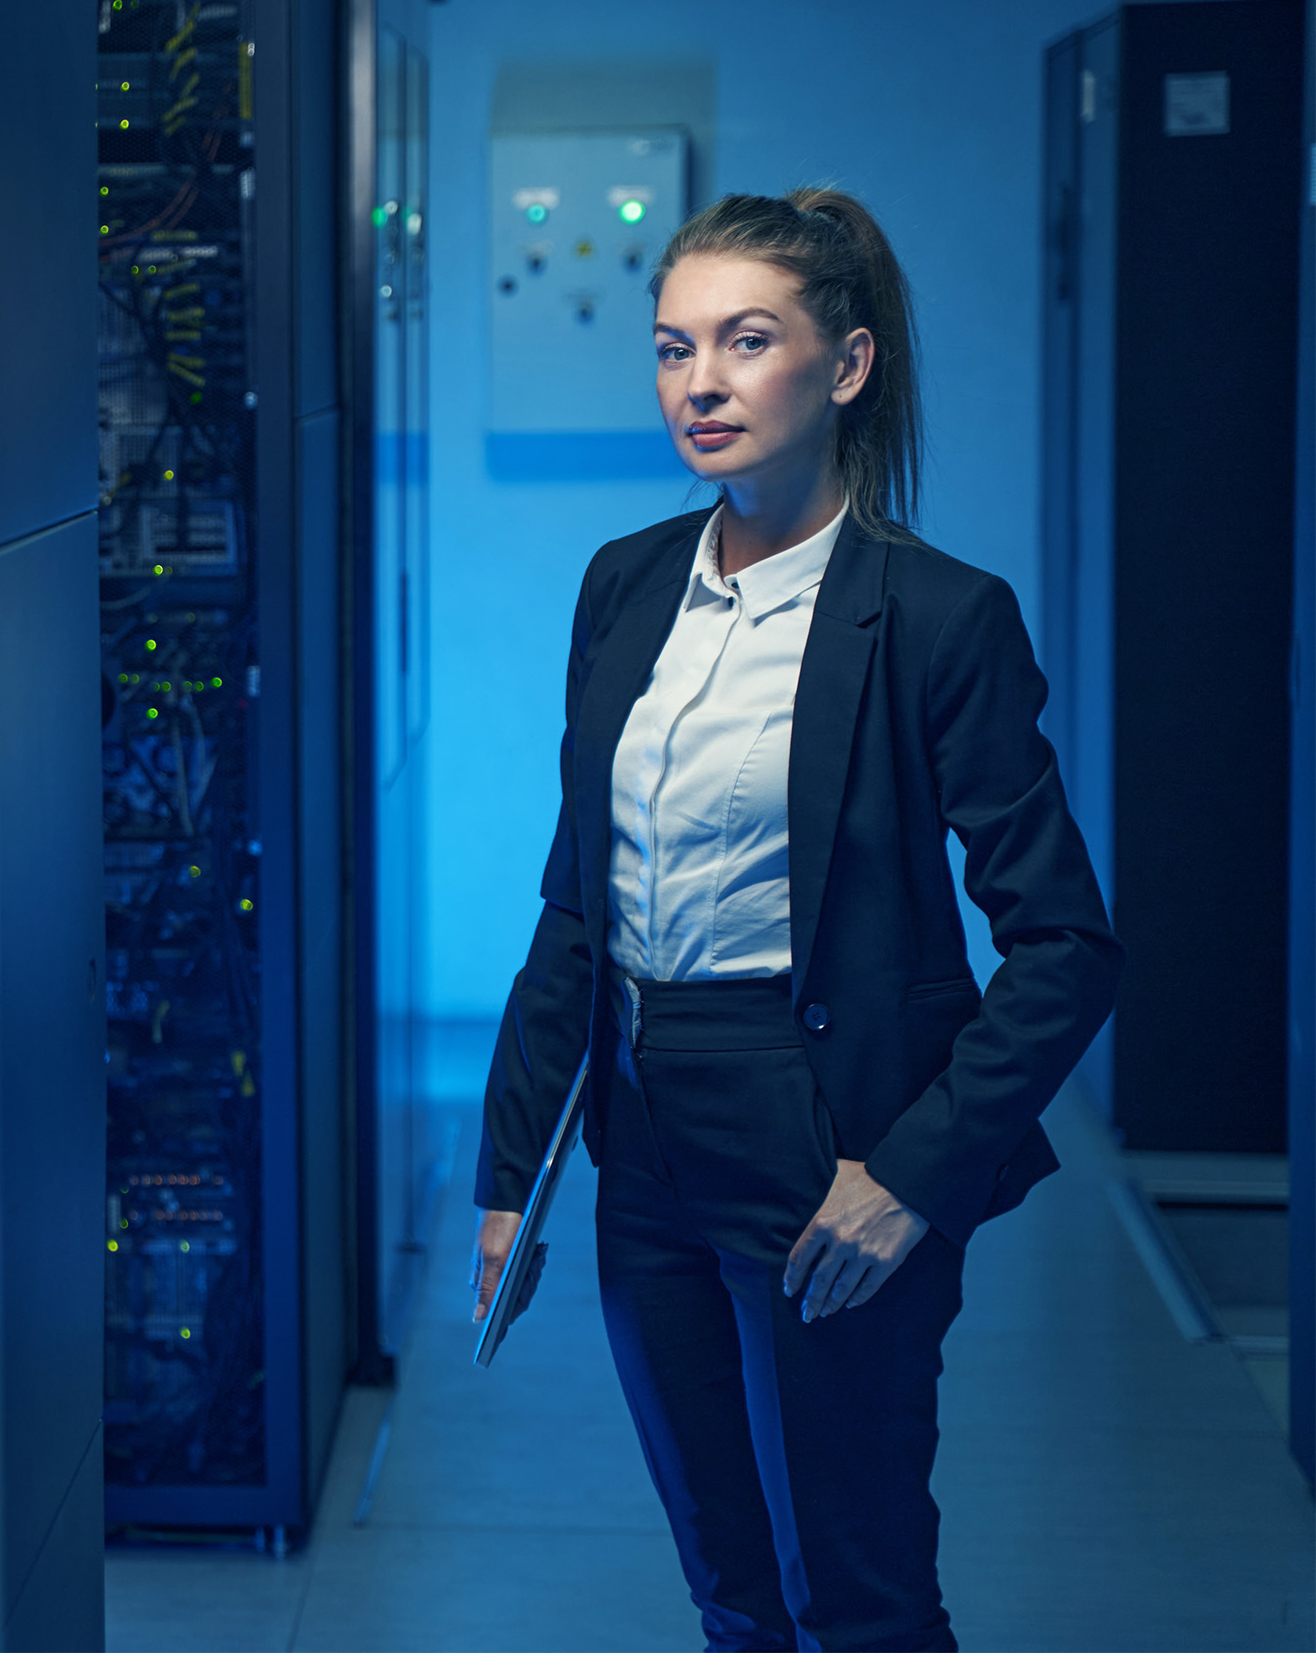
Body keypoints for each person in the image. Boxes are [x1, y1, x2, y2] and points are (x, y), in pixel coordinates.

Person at [470, 188, 1120, 1653]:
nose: (699, 381)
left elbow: (1068, 946)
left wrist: (909, 1180)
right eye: (672, 347)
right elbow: (579, 897)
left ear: (844, 367)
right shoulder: (625, 585)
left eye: (746, 341)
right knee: (732, 1589)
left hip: (824, 1139)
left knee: (859, 1596)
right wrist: (517, 1172)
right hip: (645, 1136)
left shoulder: (939, 617)